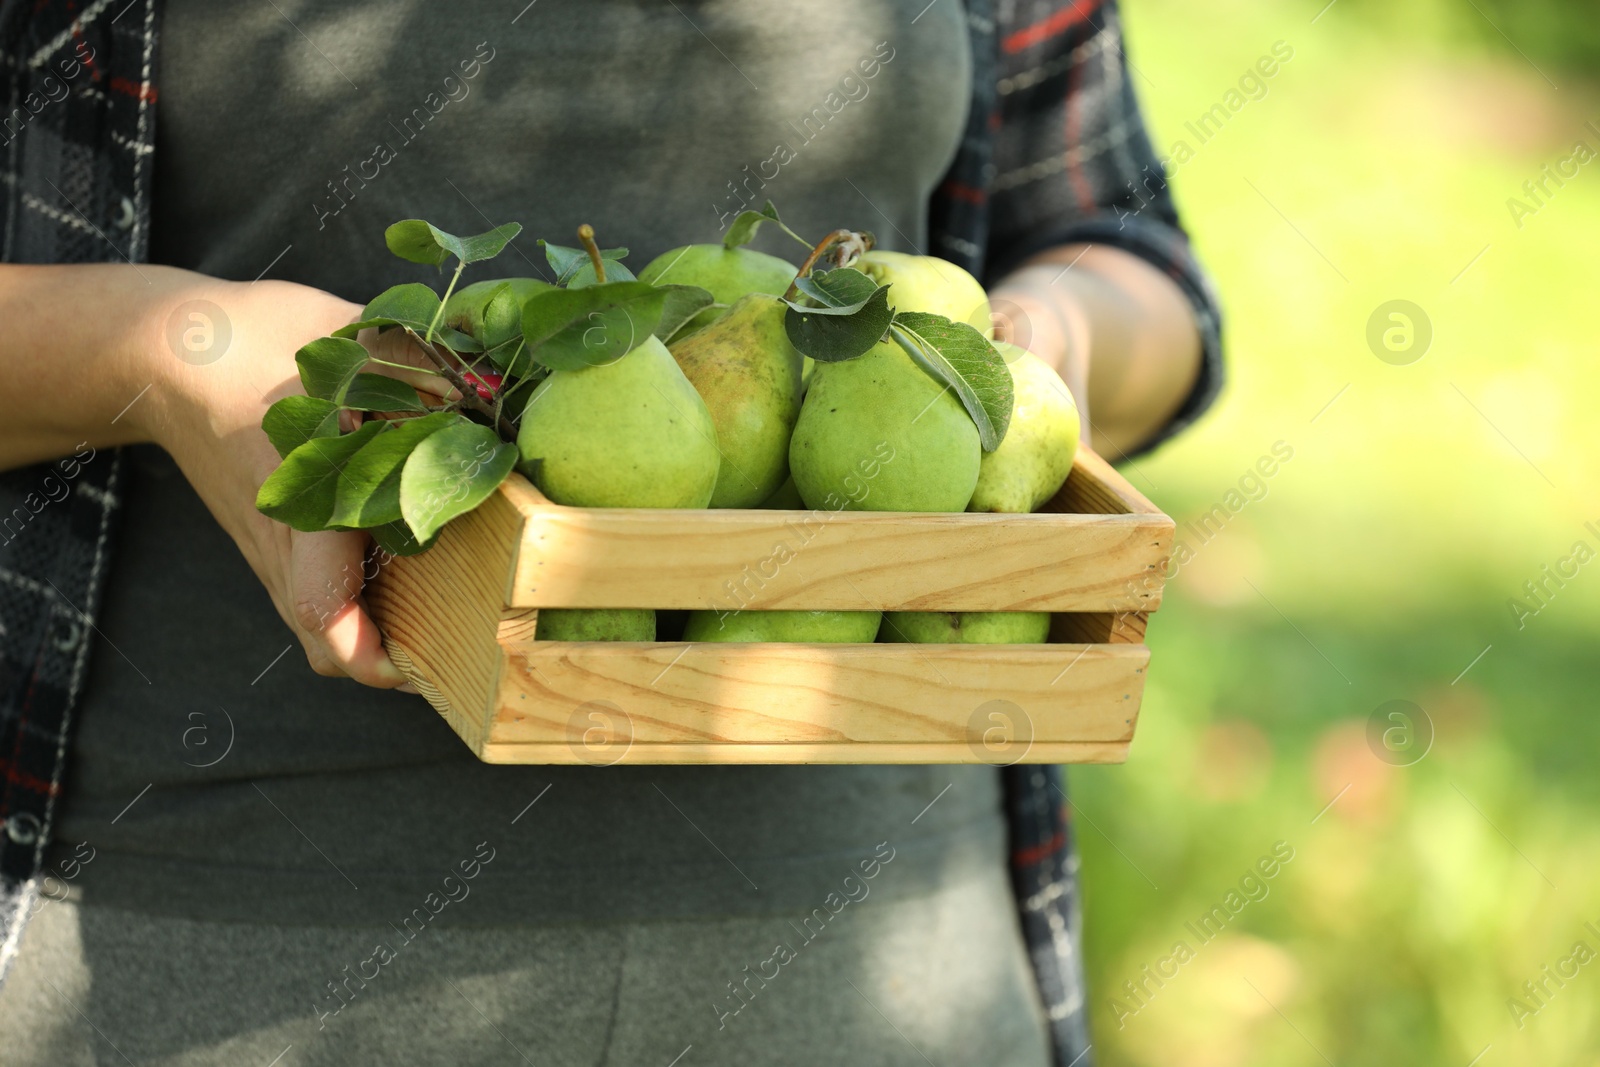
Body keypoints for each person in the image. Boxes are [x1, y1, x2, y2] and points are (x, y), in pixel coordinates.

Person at [0, 1, 1219, 1064]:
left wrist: (1033, 352)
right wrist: (163, 350)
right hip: (214, 958)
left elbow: (1124, 247)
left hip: (881, 953)